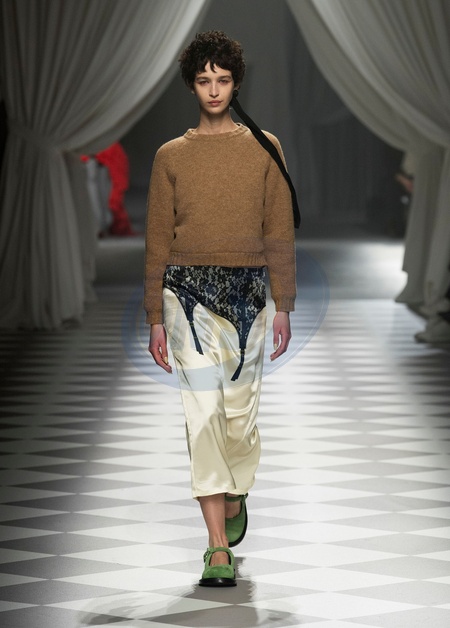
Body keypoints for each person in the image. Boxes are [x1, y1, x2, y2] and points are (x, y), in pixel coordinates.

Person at [144, 31, 296, 587]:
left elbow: (279, 231)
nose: (214, 89)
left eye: (223, 79)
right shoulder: (171, 156)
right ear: (192, 84)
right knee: (203, 415)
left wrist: (284, 304)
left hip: (250, 295)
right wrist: (154, 317)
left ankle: (235, 494)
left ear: (235, 83)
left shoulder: (264, 147)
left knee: (239, 420)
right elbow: (156, 241)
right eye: (204, 80)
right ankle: (216, 548)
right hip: (185, 294)